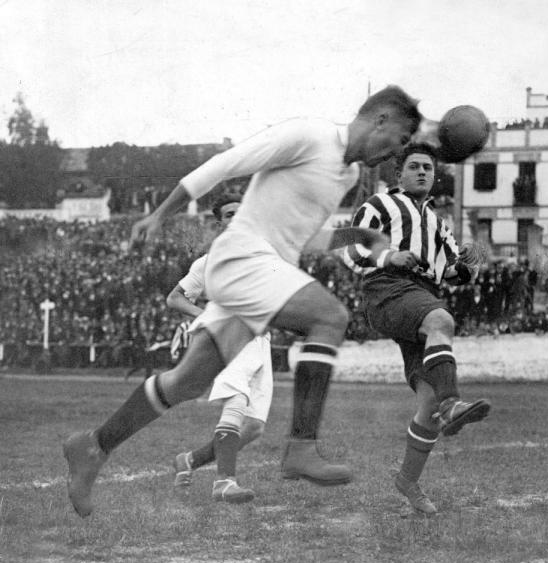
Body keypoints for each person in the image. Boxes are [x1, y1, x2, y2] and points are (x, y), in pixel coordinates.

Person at [62, 85, 432, 518]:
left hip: (261, 270)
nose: (397, 152)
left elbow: (299, 237)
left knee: (186, 383)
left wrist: (359, 235)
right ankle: (301, 448)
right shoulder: (310, 135)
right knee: (330, 317)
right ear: (381, 119)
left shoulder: (346, 176)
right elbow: (225, 164)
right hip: (241, 258)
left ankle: (94, 445)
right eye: (401, 139)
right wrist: (160, 213)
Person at [341, 144, 490, 515]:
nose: (422, 172)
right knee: (441, 321)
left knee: (427, 398)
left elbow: (451, 272)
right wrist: (389, 255)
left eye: (428, 167)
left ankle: (408, 480)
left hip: (420, 294)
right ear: (399, 175)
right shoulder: (380, 204)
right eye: (414, 166)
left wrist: (470, 265)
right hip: (386, 289)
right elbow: (350, 249)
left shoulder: (438, 223)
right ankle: (453, 404)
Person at [166, 193, 275, 503]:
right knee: (236, 398)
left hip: (260, 340)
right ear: (219, 224)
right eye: (229, 215)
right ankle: (224, 482)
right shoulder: (208, 262)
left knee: (253, 427)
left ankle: (189, 460)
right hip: (228, 335)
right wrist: (206, 316)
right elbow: (175, 298)